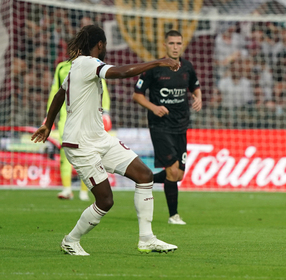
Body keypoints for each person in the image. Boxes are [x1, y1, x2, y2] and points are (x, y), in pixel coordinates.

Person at [31, 25, 180, 256]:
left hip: (99, 138)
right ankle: (71, 240)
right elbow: (120, 73)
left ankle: (147, 239)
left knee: (144, 175)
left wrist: (48, 124)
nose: (106, 49)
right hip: (80, 144)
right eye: (105, 45)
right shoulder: (88, 63)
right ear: (100, 44)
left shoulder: (75, 66)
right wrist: (158, 62)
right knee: (105, 200)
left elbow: (61, 94)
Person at [132, 30, 202, 225]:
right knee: (172, 171)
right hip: (160, 126)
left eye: (178, 43)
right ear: (165, 45)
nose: (175, 47)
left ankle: (146, 180)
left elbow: (195, 87)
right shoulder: (154, 68)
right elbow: (137, 95)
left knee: (178, 174)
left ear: (182, 45)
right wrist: (154, 108)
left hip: (181, 126)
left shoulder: (187, 67)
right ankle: (174, 216)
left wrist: (199, 98)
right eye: (171, 43)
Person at [49, 59, 112, 201]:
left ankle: (84, 191)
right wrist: (49, 117)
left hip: (88, 116)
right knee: (64, 152)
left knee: (88, 153)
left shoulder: (94, 64)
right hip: (67, 117)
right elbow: (56, 92)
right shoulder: (61, 67)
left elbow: (103, 90)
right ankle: (67, 190)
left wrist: (106, 112)